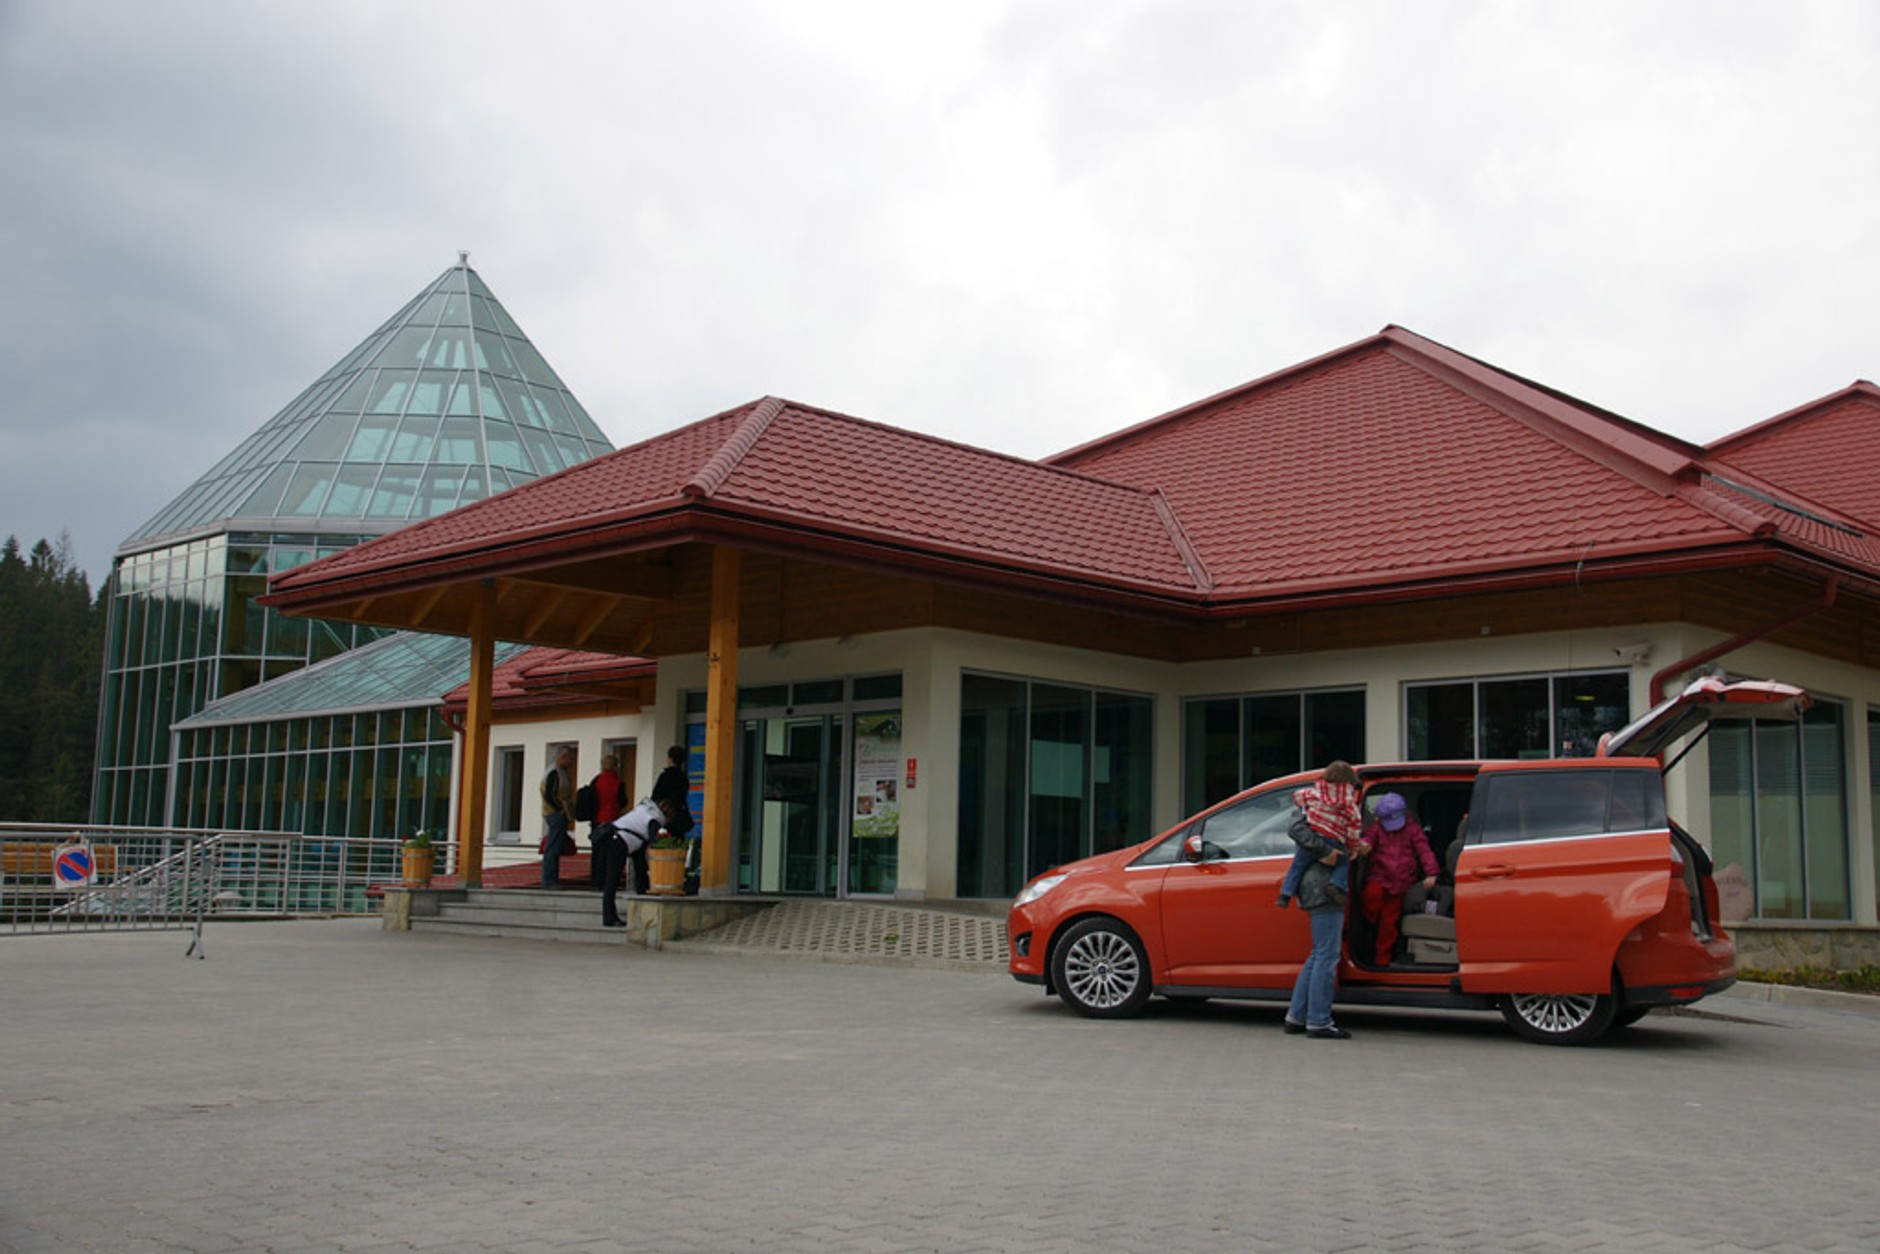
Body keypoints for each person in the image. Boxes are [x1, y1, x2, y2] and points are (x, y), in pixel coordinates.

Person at [1281, 802, 1353, 1039]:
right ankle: (1319, 1021)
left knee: (1318, 954)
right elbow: (1296, 829)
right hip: (1323, 888)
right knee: (1327, 955)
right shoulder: (1319, 804)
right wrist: (1326, 851)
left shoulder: (1315, 804)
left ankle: (1297, 1016)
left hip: (1312, 887)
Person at [1356, 792, 1439, 966]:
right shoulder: (1377, 829)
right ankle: (1370, 922)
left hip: (1401, 882)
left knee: (1389, 924)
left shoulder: (1412, 829)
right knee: (1371, 896)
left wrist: (1431, 873)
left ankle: (1382, 959)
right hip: (1379, 876)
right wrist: (1364, 845)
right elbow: (1368, 839)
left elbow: (1424, 850)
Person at [1276, 761, 1365, 908]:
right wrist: (1353, 848)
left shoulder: (1314, 793)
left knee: (1297, 866)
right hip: (1335, 840)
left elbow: (1297, 797)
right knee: (1343, 863)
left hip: (1314, 835)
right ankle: (1337, 885)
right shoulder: (1350, 805)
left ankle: (1285, 894)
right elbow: (1353, 829)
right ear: (1351, 783)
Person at [586, 754, 627, 890]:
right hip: (611, 820)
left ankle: (595, 882)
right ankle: (607, 882)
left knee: (596, 852)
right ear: (615, 766)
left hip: (597, 820)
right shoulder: (617, 782)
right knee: (610, 853)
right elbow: (623, 801)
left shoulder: (596, 780)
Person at [539, 747, 576, 888]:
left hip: (557, 813)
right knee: (553, 848)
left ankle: (550, 880)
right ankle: (548, 881)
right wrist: (561, 809)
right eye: (569, 757)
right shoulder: (554, 773)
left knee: (554, 847)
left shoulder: (560, 772)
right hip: (555, 814)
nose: (571, 761)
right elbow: (549, 794)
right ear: (562, 757)